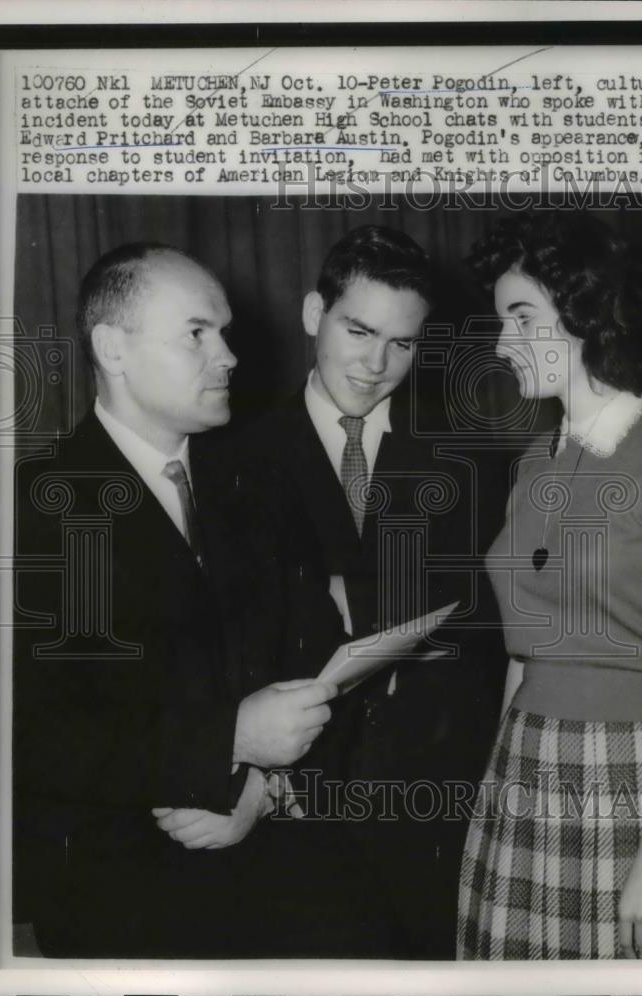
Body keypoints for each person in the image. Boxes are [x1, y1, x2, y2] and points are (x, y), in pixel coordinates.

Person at [13, 243, 338, 957]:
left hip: (277, 883)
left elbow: (310, 656)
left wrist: (263, 784)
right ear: (113, 348)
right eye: (197, 333)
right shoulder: (34, 509)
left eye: (223, 332)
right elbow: (31, 736)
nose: (227, 356)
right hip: (122, 906)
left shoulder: (258, 484)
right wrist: (227, 743)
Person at [230, 225, 507, 958]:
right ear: (313, 313)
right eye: (359, 330)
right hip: (291, 799)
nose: (377, 363)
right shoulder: (229, 455)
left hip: (434, 797)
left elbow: (481, 639)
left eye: (404, 343)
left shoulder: (468, 460)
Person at [457, 211, 642, 961]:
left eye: (522, 317)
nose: (503, 343)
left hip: (636, 775)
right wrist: (496, 778)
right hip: (523, 762)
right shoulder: (535, 459)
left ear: (589, 315)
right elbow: (524, 648)